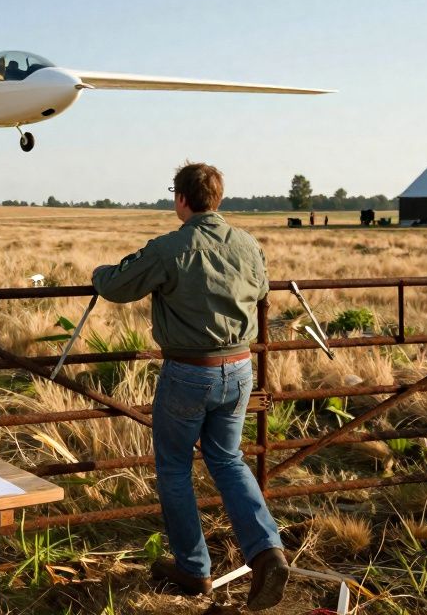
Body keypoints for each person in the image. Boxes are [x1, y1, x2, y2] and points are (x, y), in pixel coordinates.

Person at [91, 162, 287, 609]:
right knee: (228, 459)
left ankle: (193, 569)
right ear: (216, 198)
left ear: (181, 199)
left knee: (176, 468)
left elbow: (118, 287)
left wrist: (101, 272)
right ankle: (267, 551)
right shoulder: (248, 244)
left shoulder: (169, 248)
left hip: (188, 372)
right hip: (239, 368)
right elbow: (260, 293)